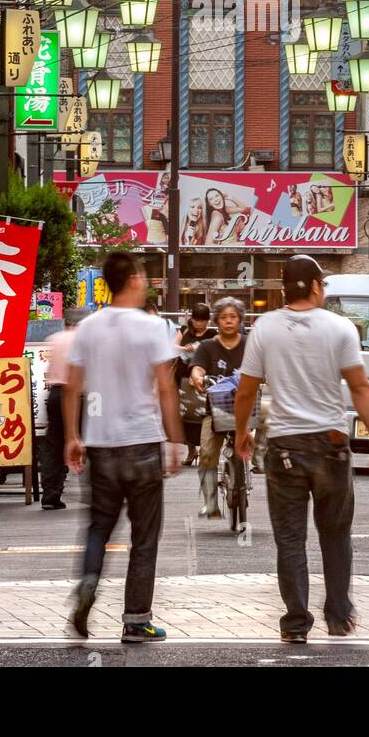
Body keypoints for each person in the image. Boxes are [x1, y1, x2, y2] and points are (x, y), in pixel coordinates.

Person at [234, 255, 369, 643]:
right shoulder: (340, 328)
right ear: (317, 286)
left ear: (285, 287)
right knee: (335, 534)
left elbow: (247, 389)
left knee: (290, 540)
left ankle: (295, 624)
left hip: (284, 446)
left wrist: (242, 431)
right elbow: (359, 387)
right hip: (332, 444)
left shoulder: (265, 328)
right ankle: (338, 615)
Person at [64, 251, 183, 643]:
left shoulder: (89, 328)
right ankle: (136, 621)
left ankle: (88, 584)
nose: (146, 280)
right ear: (132, 279)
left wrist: (72, 436)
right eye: (143, 274)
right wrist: (176, 440)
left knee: (99, 526)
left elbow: (72, 387)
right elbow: (166, 388)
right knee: (144, 537)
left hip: (100, 444)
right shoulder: (152, 328)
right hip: (144, 443)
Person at [189, 297, 247, 518]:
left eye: (233, 317)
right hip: (216, 411)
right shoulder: (207, 346)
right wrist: (198, 377)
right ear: (217, 321)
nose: (228, 321)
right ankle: (210, 502)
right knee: (206, 454)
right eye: (223, 317)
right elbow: (197, 369)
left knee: (270, 414)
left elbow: (264, 365)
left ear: (240, 319)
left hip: (248, 408)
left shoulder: (250, 344)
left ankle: (260, 457)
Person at [39, 308, 87, 511]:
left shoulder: (55, 339)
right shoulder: (85, 341)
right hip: (81, 396)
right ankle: (96, 492)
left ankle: (51, 494)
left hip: (56, 394)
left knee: (53, 444)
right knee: (90, 442)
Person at [173, 303, 215, 465]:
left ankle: (204, 449)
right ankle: (191, 451)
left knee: (203, 415)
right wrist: (185, 347)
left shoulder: (212, 334)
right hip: (183, 377)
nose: (198, 324)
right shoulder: (184, 330)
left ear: (207, 320)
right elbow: (173, 346)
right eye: (195, 320)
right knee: (184, 415)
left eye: (201, 320)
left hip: (202, 380)